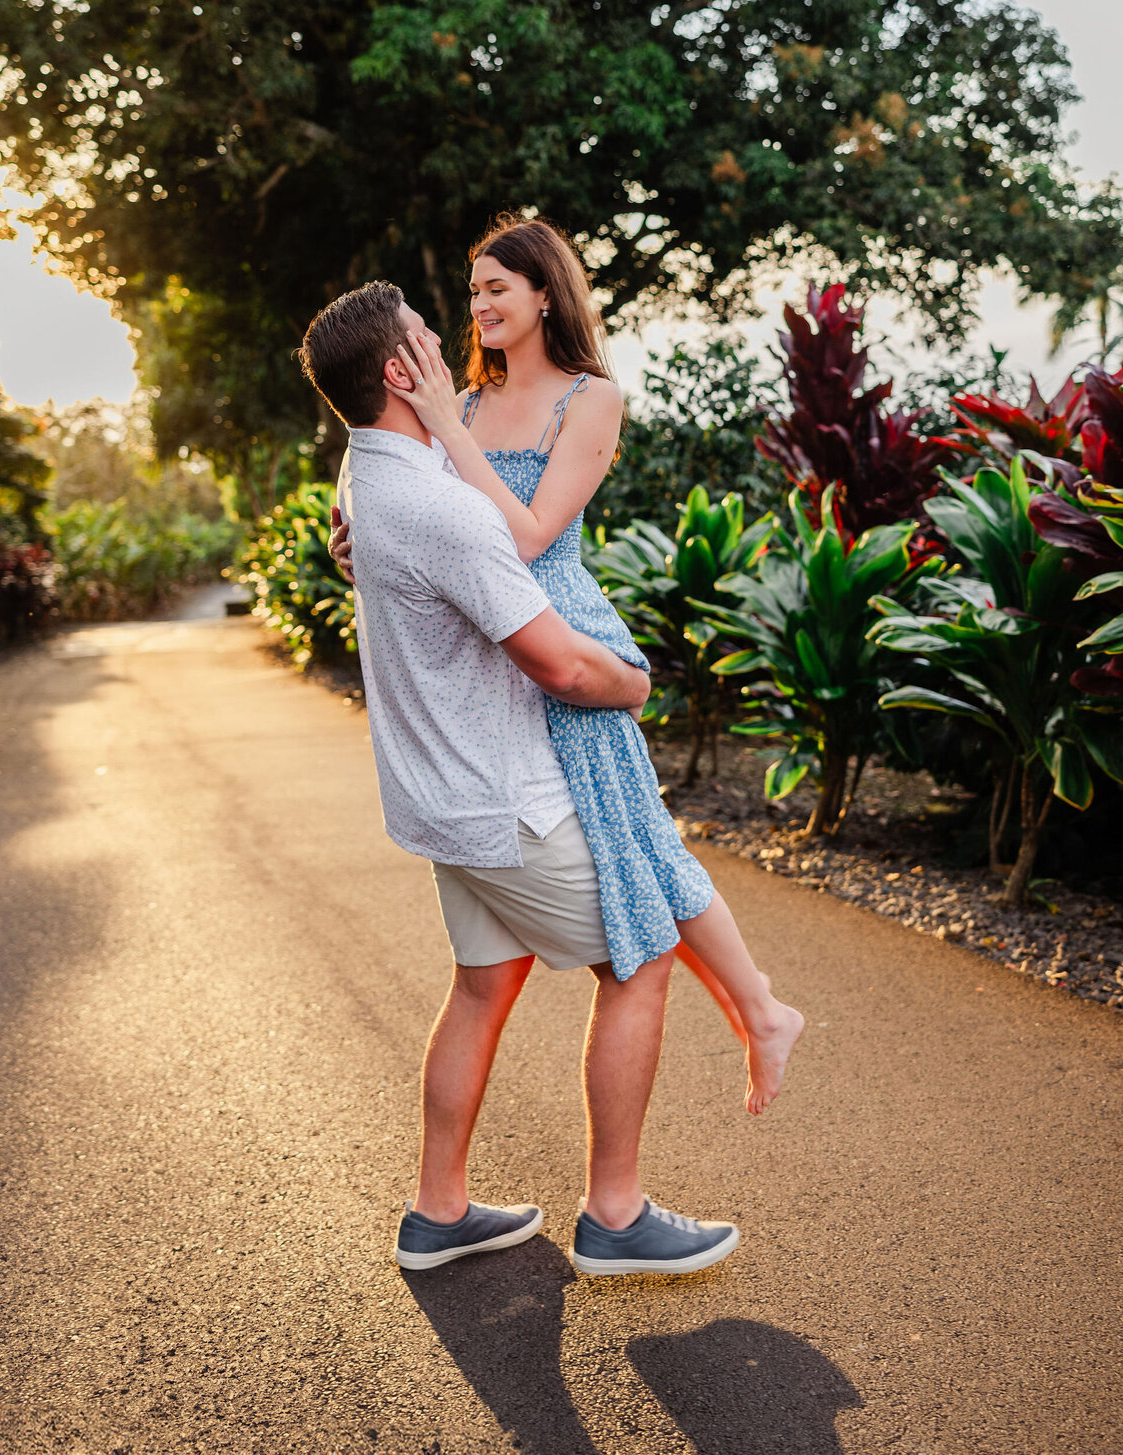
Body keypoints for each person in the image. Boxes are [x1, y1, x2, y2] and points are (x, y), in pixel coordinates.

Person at [301, 279, 741, 1278]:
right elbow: (561, 662)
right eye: (426, 335)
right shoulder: (441, 508)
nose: (449, 343)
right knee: (643, 957)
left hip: (442, 803)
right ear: (400, 373)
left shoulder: (372, 482)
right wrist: (634, 682)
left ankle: (438, 1210)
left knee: (480, 986)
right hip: (506, 802)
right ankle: (617, 1216)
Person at [330, 215, 803, 1117]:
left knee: (641, 844)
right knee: (640, 850)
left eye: (496, 287)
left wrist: (441, 424)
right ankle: (760, 1007)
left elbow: (532, 533)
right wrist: (355, 539)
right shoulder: (461, 404)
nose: (479, 306)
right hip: (491, 645)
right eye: (471, 292)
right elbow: (407, 507)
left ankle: (760, 1009)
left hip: (558, 633)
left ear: (546, 293)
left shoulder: (588, 400)